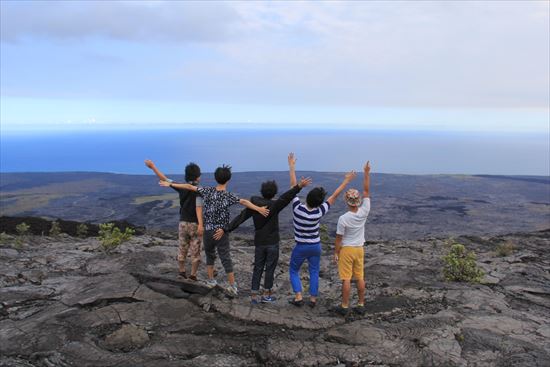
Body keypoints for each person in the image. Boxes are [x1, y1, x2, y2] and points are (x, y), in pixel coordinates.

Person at [213, 154, 312, 304]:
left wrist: (225, 229)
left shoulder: (254, 205)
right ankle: (266, 295)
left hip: (259, 242)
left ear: (262, 191)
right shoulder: (275, 205)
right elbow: (287, 196)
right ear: (273, 193)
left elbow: (240, 218)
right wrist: (299, 185)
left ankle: (253, 295)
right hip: (273, 243)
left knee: (258, 267)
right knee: (270, 268)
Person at [159, 164, 269, 296]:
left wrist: (171, 184)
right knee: (225, 258)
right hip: (220, 232)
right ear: (228, 180)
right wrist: (259, 209)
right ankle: (232, 286)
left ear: (215, 178)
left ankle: (211, 281)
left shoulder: (207, 191)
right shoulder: (228, 196)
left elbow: (188, 186)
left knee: (210, 255)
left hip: (208, 231)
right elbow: (244, 202)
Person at [288, 153, 356, 307]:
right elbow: (335, 195)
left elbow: (293, 188)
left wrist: (292, 166)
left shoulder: (297, 209)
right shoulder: (320, 211)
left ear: (308, 198)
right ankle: (313, 299)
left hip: (300, 247)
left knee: (293, 270)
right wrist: (346, 180)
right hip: (315, 247)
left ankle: (298, 296)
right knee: (314, 271)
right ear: (319, 202)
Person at [145, 159, 204, 281]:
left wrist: (153, 167)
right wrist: (201, 225)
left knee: (182, 248)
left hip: (183, 223)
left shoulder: (181, 187)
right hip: (194, 223)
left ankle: (181, 272)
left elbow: (165, 179)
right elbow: (199, 207)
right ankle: (193, 275)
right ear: (198, 177)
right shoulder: (199, 190)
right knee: (195, 250)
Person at [333, 161, 371, 316]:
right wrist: (367, 173)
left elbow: (338, 239)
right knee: (360, 277)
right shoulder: (365, 211)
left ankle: (344, 306)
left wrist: (336, 252)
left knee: (346, 279)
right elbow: (367, 191)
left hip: (347, 250)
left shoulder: (343, 219)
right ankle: (361, 304)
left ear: (346, 201)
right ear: (358, 201)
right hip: (359, 249)